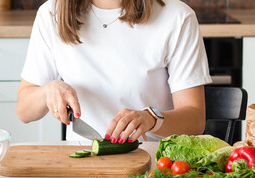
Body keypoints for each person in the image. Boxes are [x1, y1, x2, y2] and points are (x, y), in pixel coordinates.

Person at [16, 0, 212, 143]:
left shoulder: (177, 16)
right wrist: (48, 90)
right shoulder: (51, 14)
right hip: (81, 162)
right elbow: (24, 111)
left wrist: (151, 119)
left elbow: (195, 120)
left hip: (154, 164)